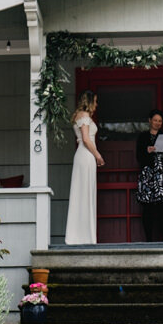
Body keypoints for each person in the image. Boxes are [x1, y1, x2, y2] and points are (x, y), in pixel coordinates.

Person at [64, 90, 104, 245]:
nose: (97, 104)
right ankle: (85, 236)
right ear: (89, 101)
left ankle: (80, 235)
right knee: (85, 193)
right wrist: (98, 155)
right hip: (86, 155)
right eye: (95, 100)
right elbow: (87, 140)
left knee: (81, 194)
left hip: (82, 156)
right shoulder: (85, 117)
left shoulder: (78, 116)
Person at [135, 109, 163, 241]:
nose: (158, 123)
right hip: (149, 174)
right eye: (155, 120)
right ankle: (149, 239)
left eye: (160, 121)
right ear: (149, 121)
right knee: (148, 208)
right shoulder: (143, 137)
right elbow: (139, 157)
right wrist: (147, 151)